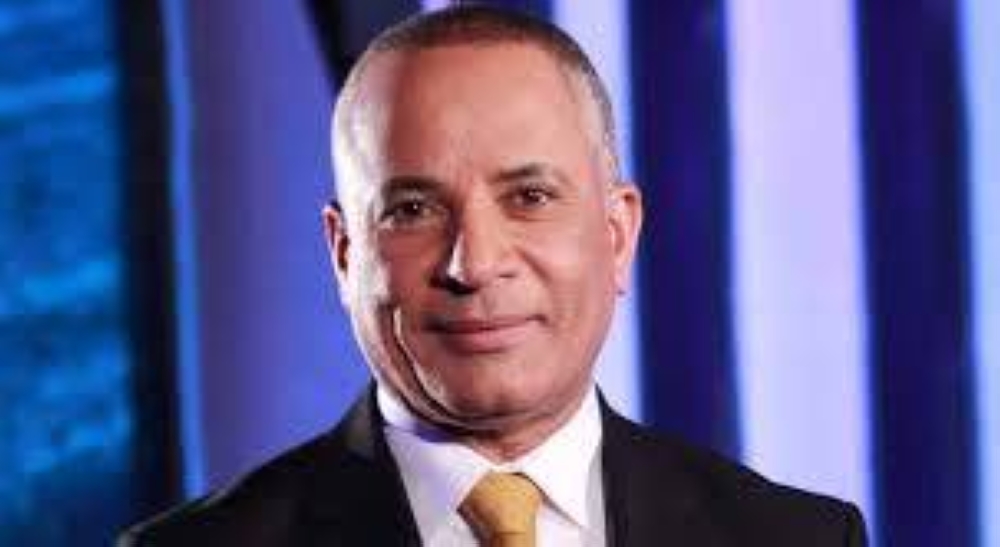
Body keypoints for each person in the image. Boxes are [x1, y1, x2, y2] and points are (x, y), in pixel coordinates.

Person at [121, 5, 867, 546]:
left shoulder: (794, 538)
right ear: (345, 254)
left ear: (617, 234)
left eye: (529, 197)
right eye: (413, 209)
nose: (473, 263)